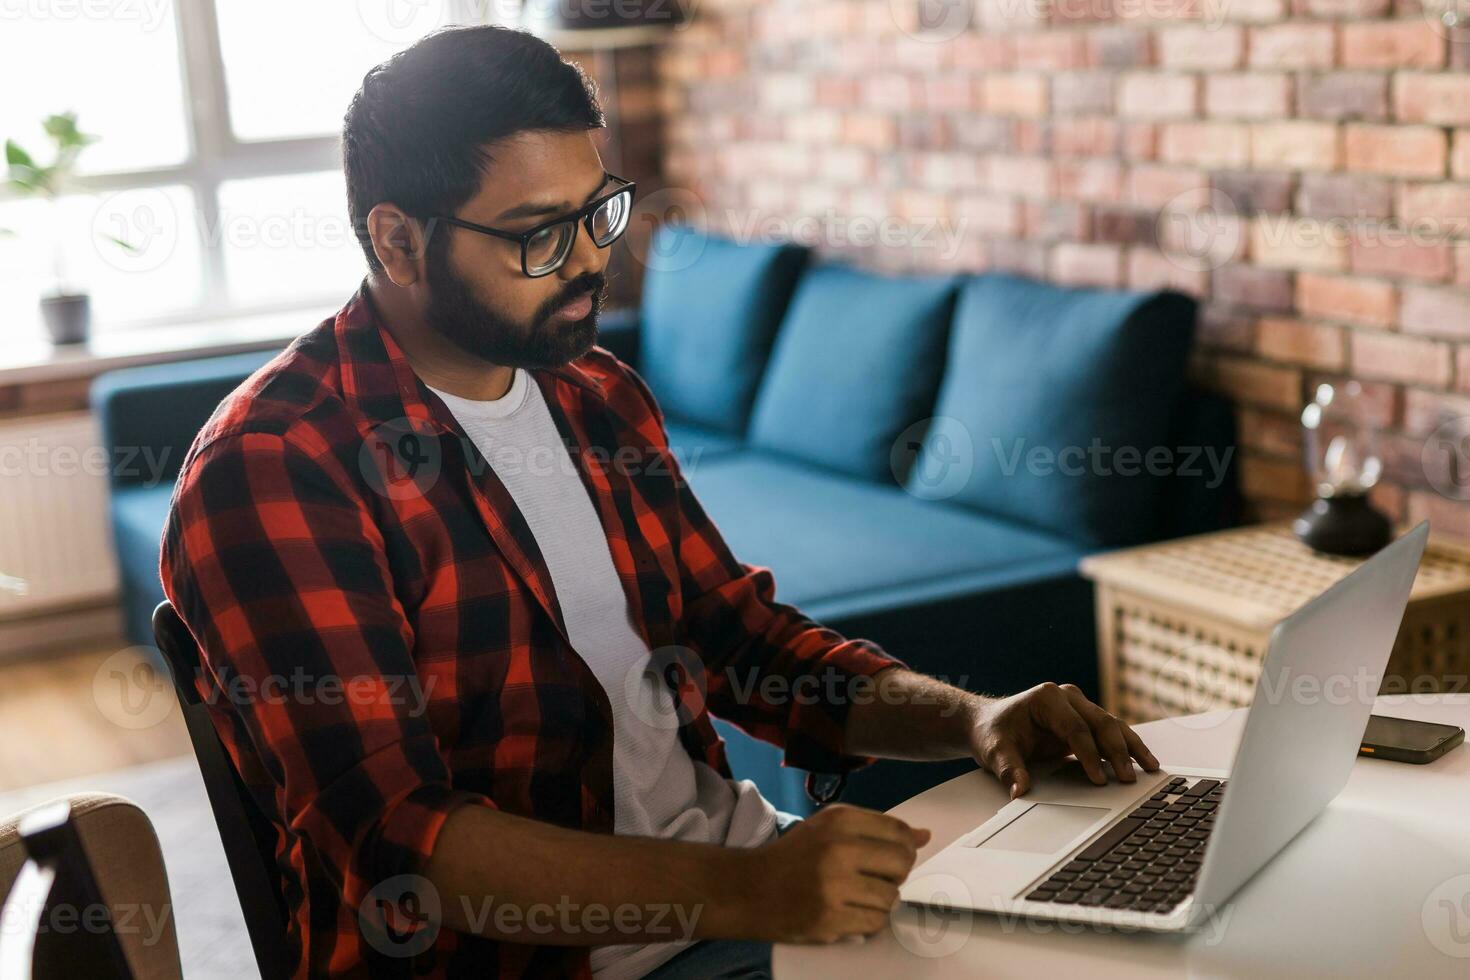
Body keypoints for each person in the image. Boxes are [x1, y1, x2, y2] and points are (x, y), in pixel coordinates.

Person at [161, 25, 1158, 980]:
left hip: (741, 904)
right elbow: (401, 837)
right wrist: (752, 890)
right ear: (398, 240)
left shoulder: (596, 394)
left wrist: (974, 718)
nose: (592, 259)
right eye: (539, 235)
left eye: (600, 211)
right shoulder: (278, 466)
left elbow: (745, 641)